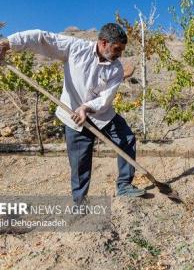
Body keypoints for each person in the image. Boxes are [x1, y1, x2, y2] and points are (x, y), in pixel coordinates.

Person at [0, 23, 146, 203]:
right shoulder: (75, 48)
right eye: (116, 49)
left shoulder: (116, 68)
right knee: (79, 165)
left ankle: (124, 185)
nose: (119, 54)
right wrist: (6, 44)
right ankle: (80, 203)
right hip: (73, 118)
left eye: (122, 50)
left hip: (102, 115)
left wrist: (85, 107)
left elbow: (106, 98)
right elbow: (41, 38)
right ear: (103, 42)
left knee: (127, 138)